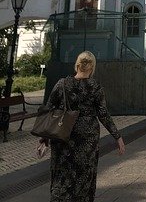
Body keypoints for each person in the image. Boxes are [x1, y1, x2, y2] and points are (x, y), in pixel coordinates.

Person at [37, 51, 125, 202]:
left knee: (62, 173)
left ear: (77, 65)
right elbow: (103, 114)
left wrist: (44, 140)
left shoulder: (62, 84)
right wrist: (117, 137)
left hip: (62, 134)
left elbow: (49, 110)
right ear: (92, 67)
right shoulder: (95, 87)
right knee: (85, 175)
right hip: (87, 138)